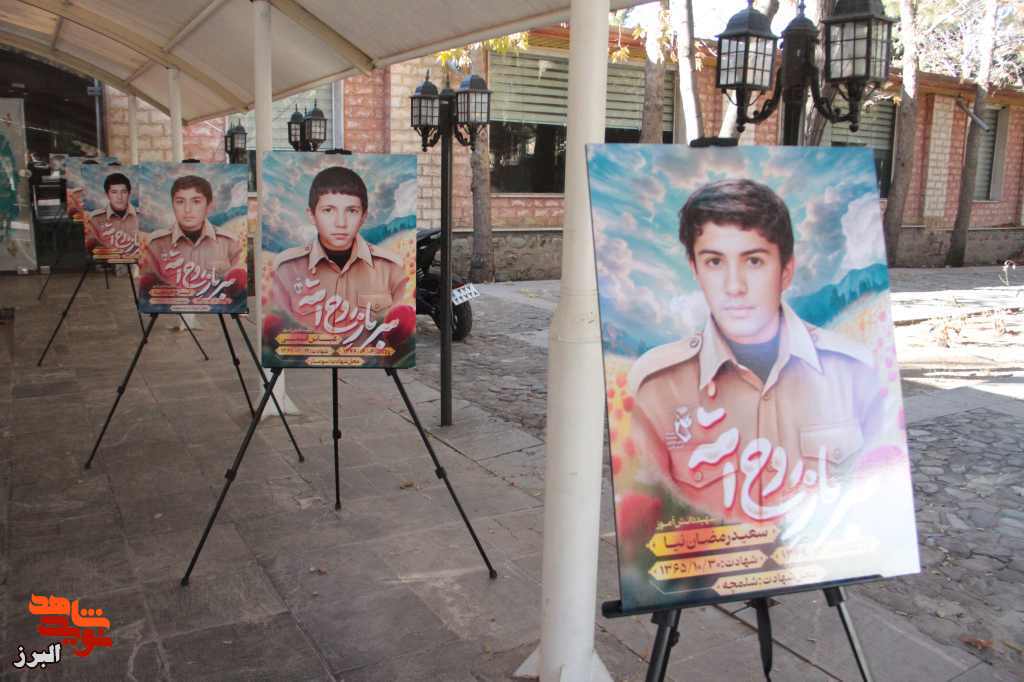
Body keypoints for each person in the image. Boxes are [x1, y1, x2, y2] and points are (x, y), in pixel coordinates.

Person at [627, 178, 887, 526]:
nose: (734, 286)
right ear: (695, 270)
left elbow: (878, 500)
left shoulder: (855, 372)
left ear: (786, 270)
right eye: (715, 262)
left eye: (753, 261)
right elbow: (648, 523)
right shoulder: (658, 388)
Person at [269, 166, 407, 336]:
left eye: (352, 211)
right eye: (328, 210)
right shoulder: (287, 270)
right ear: (311, 215)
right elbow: (277, 334)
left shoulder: (392, 269)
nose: (341, 223)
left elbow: (400, 333)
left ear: (363, 216)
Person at [140, 174, 245, 298]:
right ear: (173, 205)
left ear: (209, 206)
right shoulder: (155, 244)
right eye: (180, 202)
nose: (187, 209)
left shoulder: (230, 243)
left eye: (196, 201)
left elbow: (237, 290)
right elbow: (147, 290)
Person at [85, 172, 140, 259]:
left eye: (124, 192)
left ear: (129, 194)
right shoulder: (95, 219)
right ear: (107, 195)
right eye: (114, 192)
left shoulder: (140, 216)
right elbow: (91, 249)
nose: (119, 197)